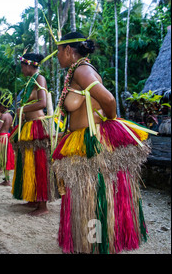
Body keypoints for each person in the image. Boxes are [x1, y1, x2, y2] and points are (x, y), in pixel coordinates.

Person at [51, 32, 155, 254]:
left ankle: (94, 246)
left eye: (58, 51)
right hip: (83, 140)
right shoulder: (77, 71)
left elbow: (108, 99)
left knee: (93, 199)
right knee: (87, 197)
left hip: (92, 142)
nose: (57, 56)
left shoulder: (82, 70)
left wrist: (111, 121)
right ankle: (92, 244)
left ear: (68, 51)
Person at [11, 53, 56, 216]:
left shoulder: (40, 78)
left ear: (29, 65)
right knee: (29, 162)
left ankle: (43, 206)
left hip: (38, 127)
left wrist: (22, 109)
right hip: (29, 126)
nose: (22, 69)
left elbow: (42, 103)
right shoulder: (31, 81)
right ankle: (35, 198)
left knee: (39, 162)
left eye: (23, 65)